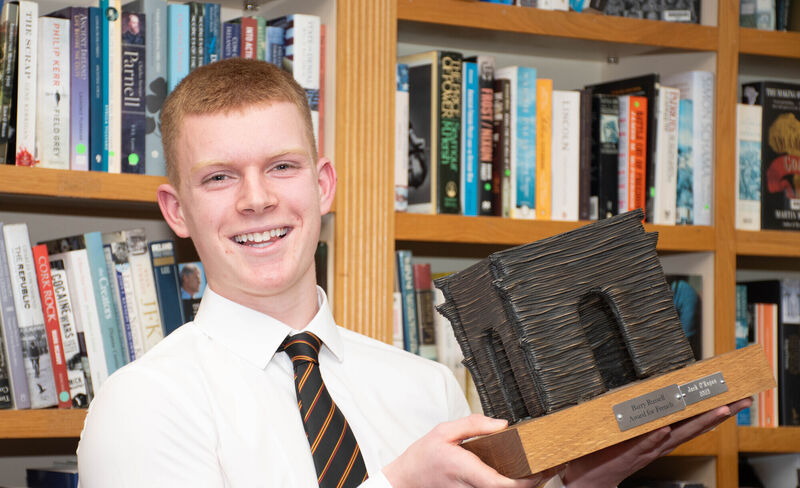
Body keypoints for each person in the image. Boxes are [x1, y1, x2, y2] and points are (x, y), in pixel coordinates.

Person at [77, 59, 749, 488]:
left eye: (281, 167)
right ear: (178, 211)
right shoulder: (141, 406)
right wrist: (399, 486)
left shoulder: (427, 391)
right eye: (220, 177)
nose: (257, 199)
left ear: (323, 185)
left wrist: (581, 484)